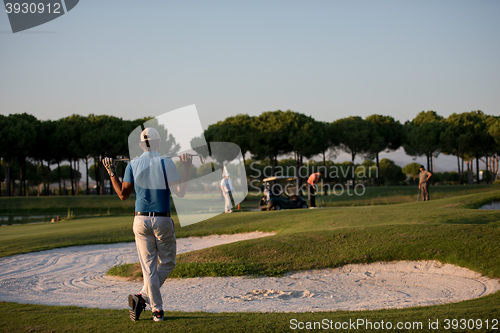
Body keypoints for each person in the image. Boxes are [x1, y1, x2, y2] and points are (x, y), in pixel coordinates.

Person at [102, 127, 192, 322]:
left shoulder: (133, 164)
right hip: (162, 219)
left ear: (141, 145)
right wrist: (186, 166)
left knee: (148, 268)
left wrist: (111, 172)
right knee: (167, 263)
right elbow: (180, 192)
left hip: (140, 220)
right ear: (159, 143)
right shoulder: (167, 162)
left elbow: (122, 195)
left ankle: (143, 299)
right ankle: (155, 309)